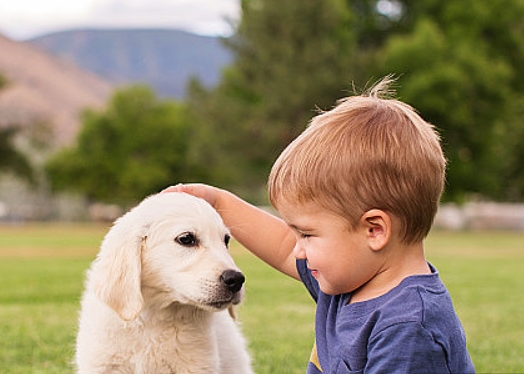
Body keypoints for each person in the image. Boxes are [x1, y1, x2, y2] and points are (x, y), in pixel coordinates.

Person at [165, 78, 475, 373]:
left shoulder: (409, 327)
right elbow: (284, 247)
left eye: (308, 234)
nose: (298, 246)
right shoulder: (353, 277)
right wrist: (218, 204)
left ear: (374, 230)